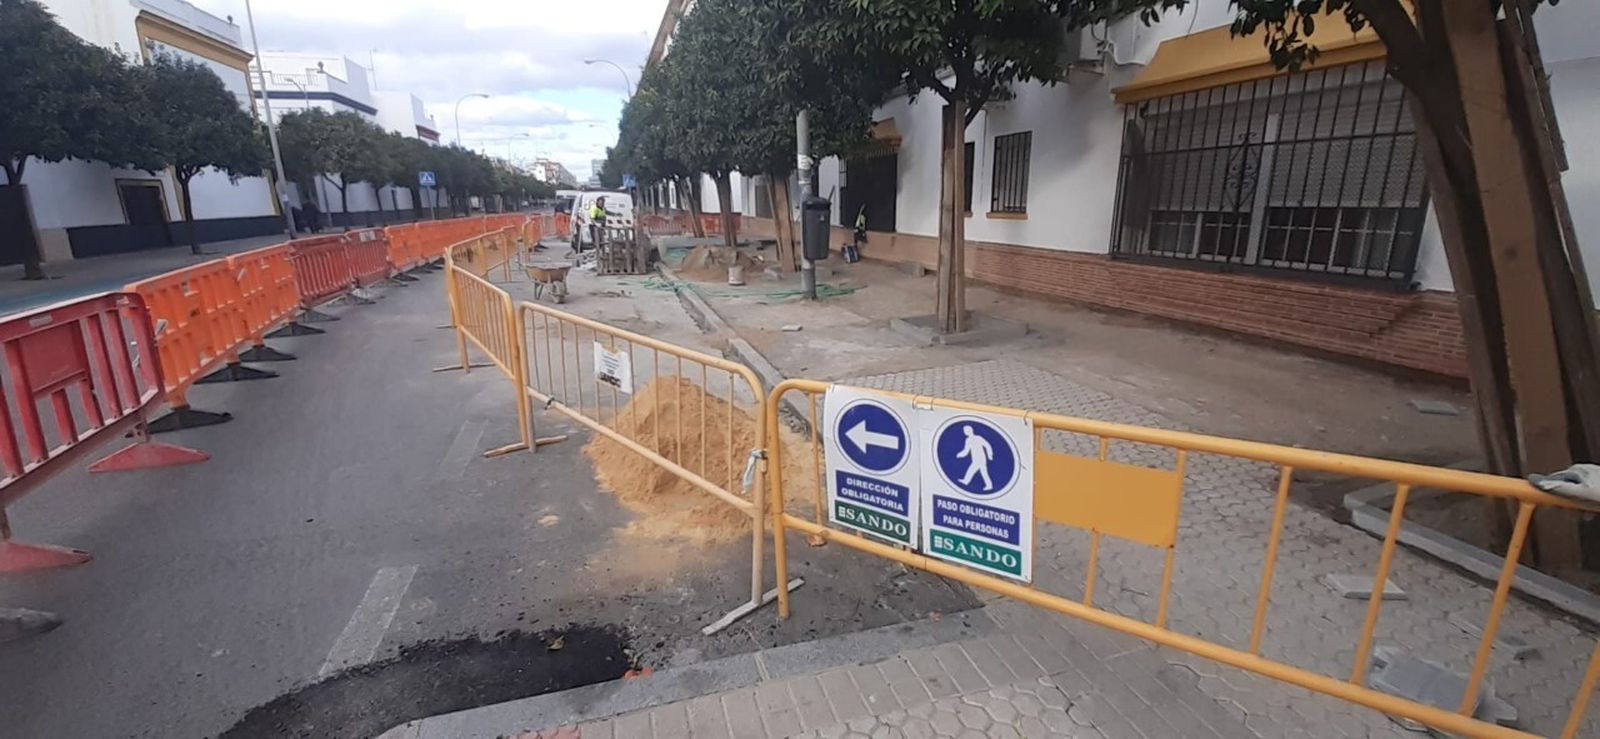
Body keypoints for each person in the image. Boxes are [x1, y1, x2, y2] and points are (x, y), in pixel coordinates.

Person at [955, 424, 995, 491]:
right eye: (964, 431)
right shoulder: (968, 440)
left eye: (966, 430)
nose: (965, 432)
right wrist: (960, 454)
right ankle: (988, 485)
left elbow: (987, 445)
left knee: (974, 470)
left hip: (981, 458)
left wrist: (989, 455)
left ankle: (966, 481)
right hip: (975, 459)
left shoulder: (978, 438)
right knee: (982, 472)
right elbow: (966, 451)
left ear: (970, 430)